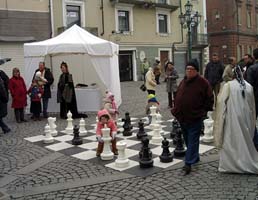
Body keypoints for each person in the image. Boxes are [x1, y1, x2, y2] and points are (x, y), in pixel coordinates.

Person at [172, 59, 214, 175]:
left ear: (197, 71)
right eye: (187, 69)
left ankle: (188, 163)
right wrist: (175, 109)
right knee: (187, 139)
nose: (189, 71)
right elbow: (178, 95)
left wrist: (203, 112)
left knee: (193, 140)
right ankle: (194, 158)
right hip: (182, 116)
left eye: (191, 69)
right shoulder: (184, 81)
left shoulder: (203, 82)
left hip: (195, 116)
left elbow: (210, 98)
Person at [214, 65, 258, 173]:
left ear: (233, 75)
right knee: (246, 139)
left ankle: (230, 164)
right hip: (246, 117)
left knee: (232, 139)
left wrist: (220, 117)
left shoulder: (228, 86)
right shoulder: (248, 86)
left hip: (232, 117)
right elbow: (252, 106)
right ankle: (245, 159)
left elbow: (220, 102)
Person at [246, 48, 258, 150]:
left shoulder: (252, 69)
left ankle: (256, 142)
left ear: (253, 57)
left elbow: (249, 87)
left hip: (255, 99)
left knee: (252, 120)